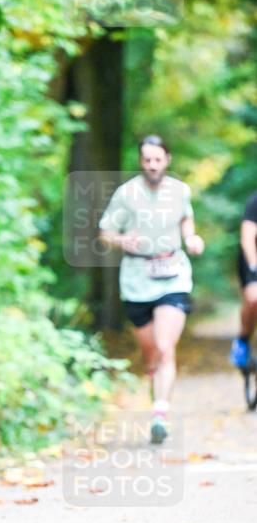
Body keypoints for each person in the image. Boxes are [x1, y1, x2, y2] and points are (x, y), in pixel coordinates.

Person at [98, 135, 204, 443]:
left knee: (165, 345)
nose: (153, 165)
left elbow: (186, 220)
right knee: (151, 354)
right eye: (147, 160)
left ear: (167, 160)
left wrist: (192, 239)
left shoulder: (180, 191)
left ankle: (160, 414)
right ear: (141, 161)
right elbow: (105, 232)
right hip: (137, 279)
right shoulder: (127, 193)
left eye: (158, 159)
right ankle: (157, 392)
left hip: (173, 275)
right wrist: (122, 240)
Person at [230, 191, 257, 368]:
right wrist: (254, 267)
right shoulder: (255, 201)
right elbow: (247, 238)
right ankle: (243, 340)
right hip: (253, 257)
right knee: (254, 297)